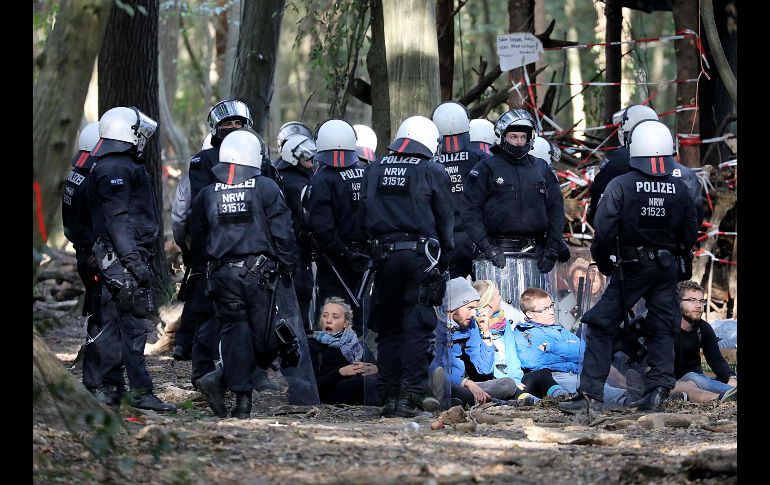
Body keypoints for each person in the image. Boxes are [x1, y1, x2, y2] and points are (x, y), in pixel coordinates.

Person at [559, 119, 698, 414]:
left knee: (600, 325)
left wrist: (605, 262)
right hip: (666, 269)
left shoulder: (621, 185)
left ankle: (589, 396)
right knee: (662, 329)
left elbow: (604, 232)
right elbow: (689, 234)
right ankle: (657, 393)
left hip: (632, 267)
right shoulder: (680, 188)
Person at [189, 129, 298, 418]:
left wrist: (205, 267)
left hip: (222, 276)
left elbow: (196, 237)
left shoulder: (207, 194)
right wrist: (289, 265)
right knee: (265, 339)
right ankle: (240, 398)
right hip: (259, 277)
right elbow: (283, 232)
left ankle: (232, 391)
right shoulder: (266, 188)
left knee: (238, 336)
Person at [359, 115, 454, 417]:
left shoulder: (374, 168)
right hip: (420, 258)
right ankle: (410, 396)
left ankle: (388, 395)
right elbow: (445, 221)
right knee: (417, 326)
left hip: (383, 257)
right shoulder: (432, 170)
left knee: (388, 327)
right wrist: (444, 259)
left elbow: (363, 213)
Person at [89, 106, 176, 412]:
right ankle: (139, 392)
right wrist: (134, 263)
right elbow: (118, 220)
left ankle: (111, 389)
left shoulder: (108, 166)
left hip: (115, 259)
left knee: (114, 325)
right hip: (124, 261)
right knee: (134, 327)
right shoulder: (117, 169)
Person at [62, 121, 125, 405]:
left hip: (85, 253)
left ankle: (104, 381)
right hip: (94, 256)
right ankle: (97, 383)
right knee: (103, 320)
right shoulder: (91, 181)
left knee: (99, 317)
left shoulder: (76, 176)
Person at [462, 109, 566, 279]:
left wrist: (553, 247)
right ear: (503, 137)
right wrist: (486, 247)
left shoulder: (542, 169)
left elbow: (556, 209)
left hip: (537, 253)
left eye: (523, 137)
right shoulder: (485, 168)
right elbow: (470, 211)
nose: (519, 142)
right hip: (497, 252)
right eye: (514, 137)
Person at [588, 104, 703, 227]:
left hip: (631, 235)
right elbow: (696, 218)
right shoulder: (686, 175)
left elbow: (598, 192)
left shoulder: (619, 159)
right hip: (673, 237)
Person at [305, 119, 369, 334]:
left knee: (332, 320)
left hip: (334, 261)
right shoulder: (366, 172)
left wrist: (345, 254)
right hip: (365, 259)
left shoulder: (321, 180)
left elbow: (322, 228)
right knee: (359, 318)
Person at [515, 288, 628, 407]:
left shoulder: (561, 330)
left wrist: (551, 348)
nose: (551, 312)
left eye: (551, 306)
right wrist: (569, 358)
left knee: (604, 386)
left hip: (576, 373)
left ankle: (630, 396)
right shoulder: (521, 334)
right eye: (544, 309)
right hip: (554, 377)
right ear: (530, 314)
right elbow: (532, 361)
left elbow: (584, 352)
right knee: (600, 392)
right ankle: (626, 401)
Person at [434, 278, 533, 406]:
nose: (473, 313)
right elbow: (434, 371)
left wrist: (486, 333)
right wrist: (466, 383)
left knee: (508, 384)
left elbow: (484, 370)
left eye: (474, 308)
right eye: (469, 308)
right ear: (453, 306)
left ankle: (468, 401)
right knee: (451, 389)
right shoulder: (434, 326)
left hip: (464, 384)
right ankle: (499, 403)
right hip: (443, 384)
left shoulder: (470, 324)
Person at [432, 101, 487, 278]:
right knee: (483, 289)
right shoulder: (481, 158)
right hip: (477, 239)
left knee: (450, 290)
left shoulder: (430, 163)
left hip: (443, 241)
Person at [275, 134, 317, 332]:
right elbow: (305, 217)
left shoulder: (281, 175)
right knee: (302, 292)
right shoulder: (295, 183)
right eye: (306, 158)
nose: (311, 162)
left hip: (290, 247)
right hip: (296, 248)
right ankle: (301, 337)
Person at [673, 280, 737, 402]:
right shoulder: (667, 328)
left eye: (701, 301)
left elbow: (716, 361)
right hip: (671, 382)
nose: (698, 305)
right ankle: (729, 392)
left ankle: (727, 393)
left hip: (698, 380)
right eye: (691, 300)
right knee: (691, 377)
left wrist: (731, 377)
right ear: (678, 302)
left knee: (716, 379)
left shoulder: (703, 328)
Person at [308, 297, 379, 405]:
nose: (328, 320)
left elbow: (376, 370)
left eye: (335, 317)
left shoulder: (356, 345)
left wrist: (373, 368)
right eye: (325, 316)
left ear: (346, 323)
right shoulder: (312, 345)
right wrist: (340, 373)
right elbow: (310, 387)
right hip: (332, 394)